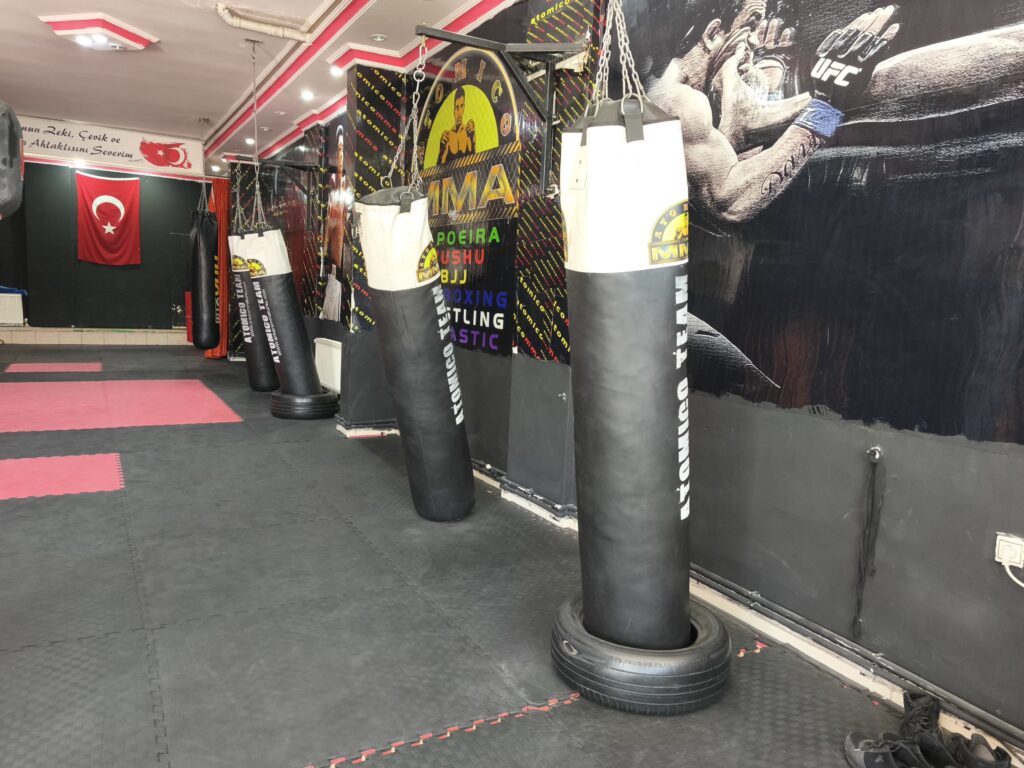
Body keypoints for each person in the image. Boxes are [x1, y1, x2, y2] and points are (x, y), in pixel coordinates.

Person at [440, 87, 477, 164]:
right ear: (453, 111)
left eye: (461, 106)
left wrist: (472, 136)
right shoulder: (447, 136)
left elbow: (474, 159)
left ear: (464, 108)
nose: (459, 112)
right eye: (457, 107)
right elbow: (440, 164)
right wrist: (442, 148)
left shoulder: (468, 132)